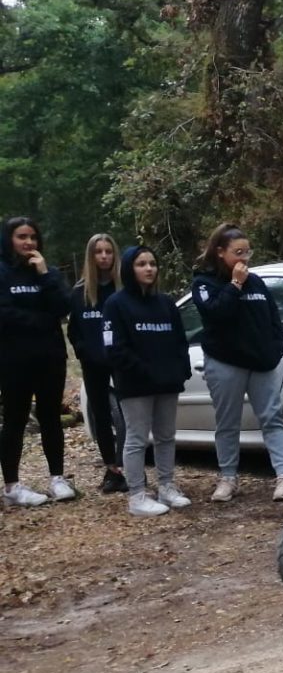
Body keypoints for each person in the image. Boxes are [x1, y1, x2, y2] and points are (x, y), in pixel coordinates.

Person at [190, 223, 283, 502]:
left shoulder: (257, 282)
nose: (244, 258)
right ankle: (228, 478)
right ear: (220, 252)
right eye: (238, 252)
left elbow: (273, 319)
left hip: (260, 363)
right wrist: (235, 284)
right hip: (225, 362)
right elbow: (215, 313)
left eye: (247, 252)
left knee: (272, 417)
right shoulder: (204, 283)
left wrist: (276, 349)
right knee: (228, 422)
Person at [104, 246, 193, 516]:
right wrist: (144, 370)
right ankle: (137, 495)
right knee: (137, 439)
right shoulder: (116, 304)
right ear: (129, 268)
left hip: (167, 383)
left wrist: (181, 369)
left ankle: (166, 486)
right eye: (141, 264)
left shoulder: (166, 303)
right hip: (135, 385)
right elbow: (114, 348)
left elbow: (180, 341)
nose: (149, 268)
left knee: (166, 436)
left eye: (152, 263)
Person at [0, 216, 77, 506]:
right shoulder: (2, 272)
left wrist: (44, 274)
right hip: (14, 359)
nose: (28, 242)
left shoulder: (48, 273)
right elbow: (4, 314)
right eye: (21, 236)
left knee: (50, 418)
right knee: (15, 420)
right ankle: (12, 486)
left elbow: (63, 306)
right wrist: (42, 320)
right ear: (9, 240)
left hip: (50, 358)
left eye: (32, 236)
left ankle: (57, 478)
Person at [69, 233, 129, 494]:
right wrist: (85, 352)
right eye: (98, 252)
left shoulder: (124, 289)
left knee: (129, 415)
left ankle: (131, 466)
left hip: (123, 362)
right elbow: (74, 330)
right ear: (91, 256)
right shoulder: (80, 292)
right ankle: (112, 470)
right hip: (93, 363)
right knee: (102, 416)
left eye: (108, 251)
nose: (104, 256)